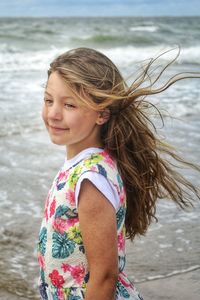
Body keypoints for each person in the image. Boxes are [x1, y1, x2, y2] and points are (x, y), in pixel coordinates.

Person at [37, 47, 200, 300]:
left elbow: (104, 276)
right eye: (49, 100)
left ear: (102, 113)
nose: (53, 114)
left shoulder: (90, 178)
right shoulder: (86, 164)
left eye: (69, 104)